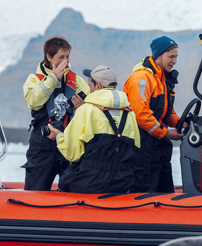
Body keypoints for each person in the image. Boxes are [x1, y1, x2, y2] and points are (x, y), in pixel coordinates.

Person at [48, 65, 141, 194]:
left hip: (89, 181)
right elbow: (135, 147)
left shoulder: (86, 110)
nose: (89, 90)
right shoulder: (130, 114)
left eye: (90, 86)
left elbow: (72, 154)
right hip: (122, 182)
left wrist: (58, 136)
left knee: (66, 178)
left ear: (98, 85)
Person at [21, 36, 90, 191]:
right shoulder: (34, 79)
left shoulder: (77, 81)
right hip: (42, 143)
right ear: (49, 57)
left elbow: (90, 110)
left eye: (67, 56)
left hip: (68, 141)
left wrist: (82, 107)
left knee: (71, 191)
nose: (65, 61)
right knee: (35, 189)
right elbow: (33, 101)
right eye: (61, 57)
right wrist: (53, 78)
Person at [123, 36, 184, 193]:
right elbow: (140, 113)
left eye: (176, 56)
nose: (175, 61)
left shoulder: (164, 78)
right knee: (145, 189)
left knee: (164, 189)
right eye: (171, 56)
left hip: (158, 147)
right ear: (159, 55)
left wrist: (181, 122)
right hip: (142, 146)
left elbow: (167, 111)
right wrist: (166, 133)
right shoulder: (141, 78)